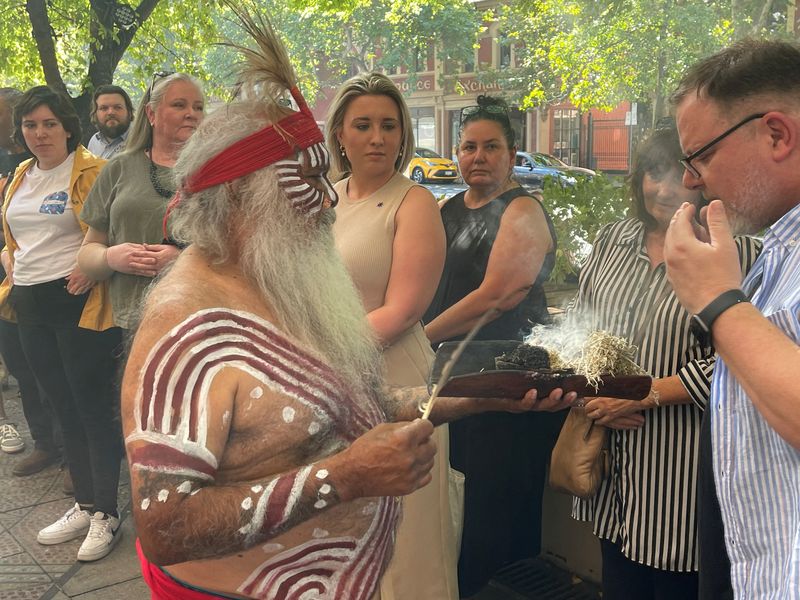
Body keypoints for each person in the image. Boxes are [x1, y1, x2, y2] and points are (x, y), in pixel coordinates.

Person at [123, 10, 574, 599]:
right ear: (238, 196)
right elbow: (166, 526)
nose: (327, 204)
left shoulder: (264, 288)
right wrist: (347, 476)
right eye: (306, 181)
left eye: (324, 180)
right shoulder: (188, 328)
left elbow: (313, 418)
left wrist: (477, 397)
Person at [566, 127, 760, 600]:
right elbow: (579, 322)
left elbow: (746, 362)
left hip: (683, 481)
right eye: (654, 171)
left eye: (680, 172)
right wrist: (588, 390)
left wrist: (645, 393)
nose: (666, 187)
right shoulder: (613, 240)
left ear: (704, 179)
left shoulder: (740, 254)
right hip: (615, 477)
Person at [664, 39, 800, 600]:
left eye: (702, 155)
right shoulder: (777, 246)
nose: (691, 179)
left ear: (776, 134)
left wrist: (717, 300)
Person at [422, 94, 562, 597]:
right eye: (468, 147)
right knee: (458, 501)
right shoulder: (447, 208)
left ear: (511, 153)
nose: (477, 156)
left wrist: (422, 338)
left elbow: (498, 296)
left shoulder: (522, 210)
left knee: (495, 508)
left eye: (490, 147)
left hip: (509, 385)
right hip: (457, 378)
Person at [327, 72, 458, 599]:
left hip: (395, 381)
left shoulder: (415, 202)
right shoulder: (323, 200)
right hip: (333, 384)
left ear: (403, 136)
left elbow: (403, 310)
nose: (377, 138)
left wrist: (317, 360)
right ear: (340, 133)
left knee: (405, 545)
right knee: (344, 533)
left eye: (389, 126)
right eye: (363, 125)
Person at [0, 86, 122, 561]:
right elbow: (13, 233)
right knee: (59, 404)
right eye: (31, 125)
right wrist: (10, 258)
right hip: (29, 304)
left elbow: (116, 230)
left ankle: (107, 514)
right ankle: (84, 504)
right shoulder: (22, 176)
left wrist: (93, 267)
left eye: (50, 123)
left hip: (77, 302)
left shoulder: (94, 171)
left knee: (91, 408)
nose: (40, 133)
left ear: (68, 126)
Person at [78, 73, 204, 333]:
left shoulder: (220, 173)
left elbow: (240, 256)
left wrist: (183, 260)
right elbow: (88, 252)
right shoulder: (120, 167)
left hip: (200, 318)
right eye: (179, 105)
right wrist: (110, 257)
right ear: (151, 113)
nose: (191, 113)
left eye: (198, 107)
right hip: (131, 323)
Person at [86, 85, 134, 159]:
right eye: (104, 108)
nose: (111, 112)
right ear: (95, 114)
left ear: (129, 112)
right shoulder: (94, 141)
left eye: (117, 107)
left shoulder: (141, 141)